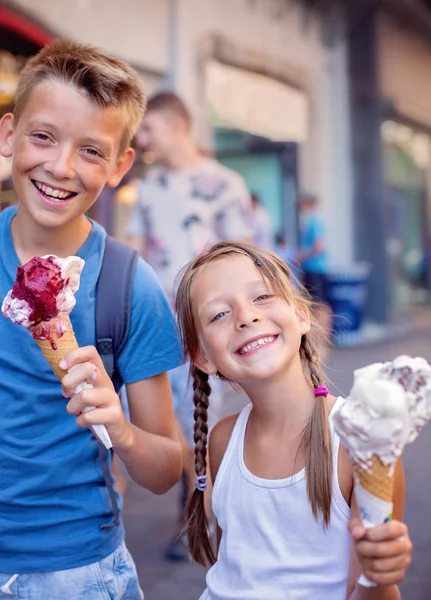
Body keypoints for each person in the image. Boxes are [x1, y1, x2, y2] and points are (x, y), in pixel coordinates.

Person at [0, 39, 183, 599]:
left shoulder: (129, 286)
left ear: (120, 166)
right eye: (42, 136)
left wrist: (120, 428)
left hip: (73, 570)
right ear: (8, 136)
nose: (59, 166)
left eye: (91, 150)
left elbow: (165, 467)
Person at [174, 240, 412, 599]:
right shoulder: (222, 441)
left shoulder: (359, 442)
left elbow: (368, 590)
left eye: (262, 297)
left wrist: (379, 576)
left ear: (302, 315)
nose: (246, 316)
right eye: (219, 314)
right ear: (202, 356)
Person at [126, 91, 252, 560]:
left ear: (176, 125)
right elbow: (134, 249)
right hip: (156, 325)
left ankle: (209, 519)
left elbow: (244, 261)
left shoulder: (226, 185)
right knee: (164, 420)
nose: (143, 138)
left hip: (206, 327)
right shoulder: (150, 186)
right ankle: (193, 515)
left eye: (150, 128)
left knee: (206, 423)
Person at [297, 192, 332, 354]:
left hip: (314, 267)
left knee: (318, 305)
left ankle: (321, 342)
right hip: (315, 267)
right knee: (318, 303)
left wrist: (301, 256)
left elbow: (319, 247)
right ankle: (321, 342)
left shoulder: (313, 221)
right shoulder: (316, 220)